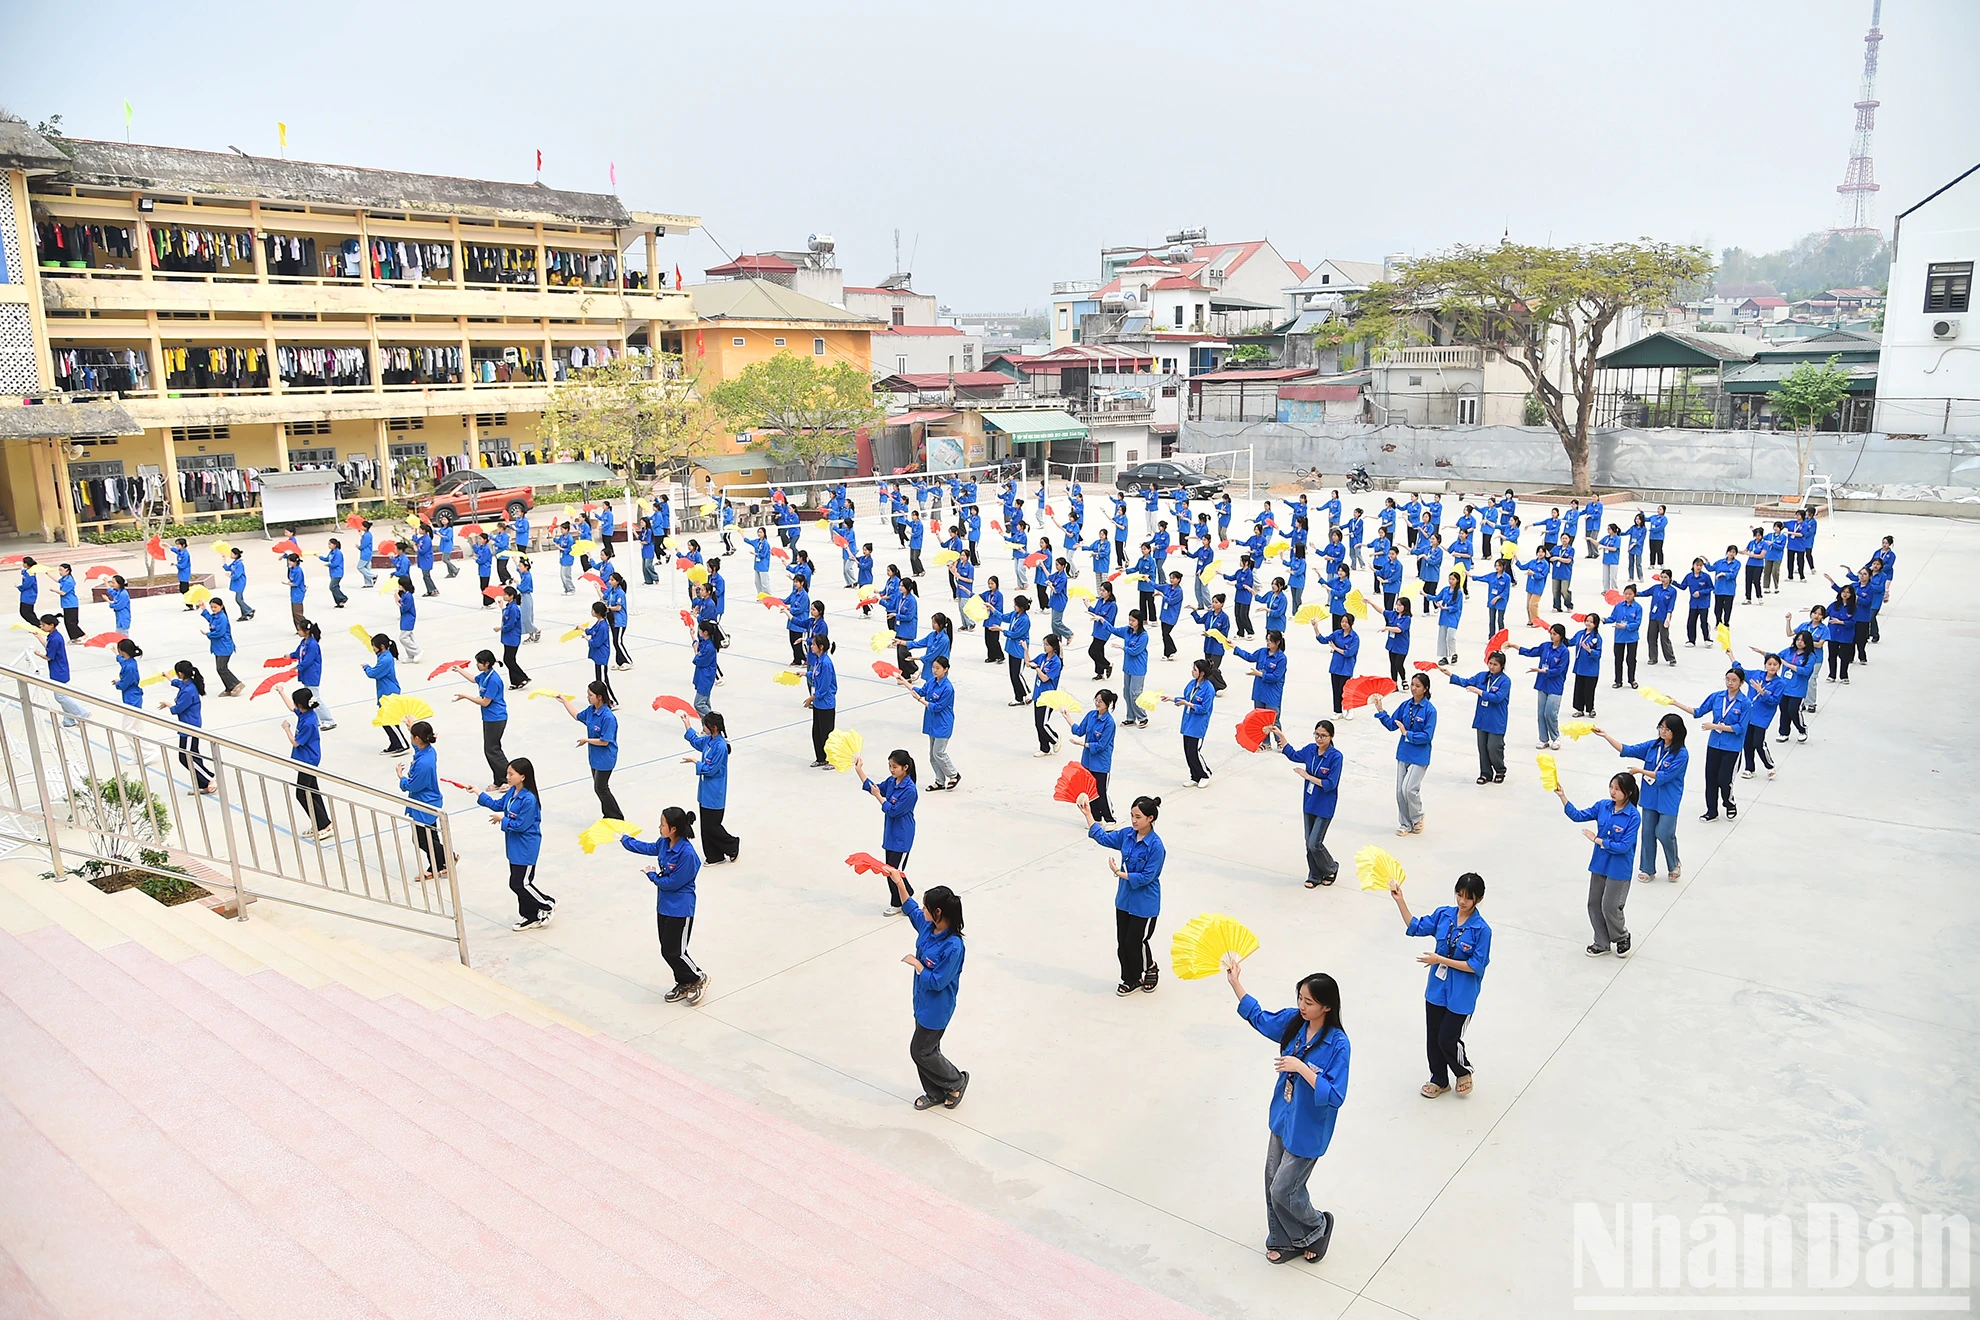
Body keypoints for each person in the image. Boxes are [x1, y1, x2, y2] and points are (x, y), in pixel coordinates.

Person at [1223, 962, 1348, 1265]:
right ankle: (1282, 1238)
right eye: (1300, 999)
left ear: (1327, 1007)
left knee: (1285, 1188)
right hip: (1283, 1114)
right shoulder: (1294, 1022)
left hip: (1308, 1127)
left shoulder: (1338, 1045)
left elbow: (1335, 1095)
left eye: (1309, 1002)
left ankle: (1316, 1227)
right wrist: (1236, 984)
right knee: (1271, 1181)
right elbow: (1261, 1018)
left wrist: (1301, 1068)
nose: (1302, 1006)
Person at [1392, 872, 1490, 1098]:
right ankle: (1439, 1079)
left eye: (1468, 897)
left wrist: (1440, 960)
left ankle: (1462, 1070)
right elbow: (1415, 927)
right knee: (1433, 1037)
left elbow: (1475, 965)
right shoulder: (1443, 915)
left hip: (1462, 994)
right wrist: (1400, 901)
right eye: (1459, 894)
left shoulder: (1482, 930)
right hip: (1437, 989)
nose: (1462, 901)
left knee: (1447, 1038)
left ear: (1478, 899)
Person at [1079, 793, 1166, 995]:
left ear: (1150, 819)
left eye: (1138, 817)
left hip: (1145, 904)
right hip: (1124, 901)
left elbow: (1146, 877)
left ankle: (1150, 968)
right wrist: (1089, 815)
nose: (1134, 821)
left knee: (1136, 942)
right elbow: (1102, 837)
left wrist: (1120, 873)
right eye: (1132, 816)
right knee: (1123, 943)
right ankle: (1131, 979)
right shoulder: (1127, 835)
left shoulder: (1156, 846)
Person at [620, 805, 708, 1003]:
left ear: (674, 828)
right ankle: (684, 982)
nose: (659, 828)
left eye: (662, 824)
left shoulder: (687, 854)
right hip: (664, 907)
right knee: (666, 950)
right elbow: (648, 847)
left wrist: (652, 875)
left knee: (675, 951)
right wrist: (626, 840)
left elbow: (673, 883)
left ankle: (697, 977)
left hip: (681, 908)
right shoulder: (664, 843)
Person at [1594, 713, 1688, 883]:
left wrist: (1641, 771)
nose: (1663, 732)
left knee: (1664, 833)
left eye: (1667, 729)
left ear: (1677, 732)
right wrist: (1606, 736)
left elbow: (1665, 775)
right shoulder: (1653, 746)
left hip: (1668, 799)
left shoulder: (1681, 754)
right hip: (1650, 797)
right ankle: (1647, 868)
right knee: (1647, 832)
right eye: (1661, 727)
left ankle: (1674, 863)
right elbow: (1628, 749)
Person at [1558, 772, 1642, 958]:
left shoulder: (1633, 816)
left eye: (1617, 789)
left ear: (1628, 792)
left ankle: (1621, 936)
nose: (1612, 792)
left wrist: (1597, 840)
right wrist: (1563, 796)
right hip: (1600, 864)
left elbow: (1624, 847)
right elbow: (1578, 815)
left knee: (1610, 906)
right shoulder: (1603, 806)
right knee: (1594, 904)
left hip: (1619, 868)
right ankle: (1602, 942)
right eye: (1611, 787)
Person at [901, 886, 969, 1110]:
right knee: (928, 1050)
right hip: (921, 1002)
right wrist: (896, 880)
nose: (922, 910)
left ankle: (955, 1081)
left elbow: (939, 981)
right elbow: (911, 909)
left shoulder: (953, 946)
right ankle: (935, 1093)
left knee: (920, 1050)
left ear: (938, 912)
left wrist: (918, 965)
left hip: (937, 1008)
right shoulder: (929, 928)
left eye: (926, 907)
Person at [480, 758, 554, 931]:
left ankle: (547, 903)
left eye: (511, 774)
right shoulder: (512, 792)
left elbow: (521, 825)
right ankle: (530, 915)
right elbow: (498, 804)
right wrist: (478, 793)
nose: (507, 777)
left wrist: (502, 820)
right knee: (519, 882)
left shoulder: (529, 799)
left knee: (520, 883)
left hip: (526, 846)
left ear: (522, 776)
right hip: (514, 845)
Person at [1671, 667, 1749, 822]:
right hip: (1714, 744)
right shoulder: (1717, 697)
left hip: (1732, 748)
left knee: (1724, 779)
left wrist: (1716, 727)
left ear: (1741, 683)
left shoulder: (1745, 703)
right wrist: (1675, 703)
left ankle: (1729, 802)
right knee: (1711, 778)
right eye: (1727, 679)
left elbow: (1740, 728)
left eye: (1734, 680)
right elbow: (1698, 712)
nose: (1729, 683)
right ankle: (1711, 811)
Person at [1277, 719, 1342, 887]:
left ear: (1331, 736)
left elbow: (1330, 784)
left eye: (1323, 736)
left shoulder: (1335, 757)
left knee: (1315, 843)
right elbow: (1293, 754)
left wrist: (1308, 776)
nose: (1319, 739)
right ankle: (1314, 875)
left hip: (1324, 804)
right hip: (1309, 802)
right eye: (1317, 735)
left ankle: (1331, 867)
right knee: (1308, 842)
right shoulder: (1311, 750)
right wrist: (1280, 735)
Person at [854, 749, 919, 914]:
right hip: (890, 833)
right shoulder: (892, 781)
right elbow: (874, 788)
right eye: (889, 766)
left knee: (893, 871)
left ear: (905, 767)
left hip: (902, 836)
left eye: (894, 766)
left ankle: (901, 902)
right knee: (889, 869)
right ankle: (907, 896)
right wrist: (860, 770)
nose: (891, 770)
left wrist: (878, 797)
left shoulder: (910, 790)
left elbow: (893, 810)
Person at [1372, 672, 1436, 835]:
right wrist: (1381, 711)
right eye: (1413, 685)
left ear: (1425, 688)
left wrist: (1407, 734)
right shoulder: (1405, 705)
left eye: (1418, 686)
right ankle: (1405, 823)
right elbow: (1393, 725)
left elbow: (1427, 736)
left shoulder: (1430, 711)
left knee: (1409, 789)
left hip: (1420, 755)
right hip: (1404, 753)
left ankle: (1417, 817)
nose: (1414, 688)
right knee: (1400, 791)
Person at [676, 710, 739, 863]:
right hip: (705, 790)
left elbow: (711, 769)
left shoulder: (721, 747)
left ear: (714, 727)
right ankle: (714, 856)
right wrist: (687, 725)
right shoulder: (710, 740)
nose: (703, 727)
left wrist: (695, 762)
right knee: (705, 826)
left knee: (712, 825)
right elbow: (697, 742)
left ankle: (732, 844)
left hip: (715, 791)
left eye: (705, 725)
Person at [1442, 651, 1510, 784]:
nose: (1491, 667)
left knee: (1494, 747)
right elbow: (1466, 682)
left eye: (1495, 664)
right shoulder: (1482, 676)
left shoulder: (1505, 681)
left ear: (1502, 666)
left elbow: (1497, 698)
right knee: (1482, 747)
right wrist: (1450, 674)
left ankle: (1500, 769)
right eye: (1490, 663)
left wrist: (1479, 692)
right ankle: (1485, 773)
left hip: (1496, 720)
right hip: (1482, 718)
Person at [275, 684, 333, 837]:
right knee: (313, 791)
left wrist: (287, 729)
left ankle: (324, 825)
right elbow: (290, 707)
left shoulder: (308, 722)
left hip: (308, 760)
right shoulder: (305, 713)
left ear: (300, 705)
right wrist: (282, 693)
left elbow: (296, 742)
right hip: (306, 759)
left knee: (301, 793)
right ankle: (323, 823)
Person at [901, 654, 961, 792]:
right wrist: (904, 682)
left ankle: (954, 775)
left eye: (938, 668)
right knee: (932, 755)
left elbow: (937, 706)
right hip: (932, 722)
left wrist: (920, 700)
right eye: (933, 667)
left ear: (945, 669)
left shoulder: (947, 688)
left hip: (943, 723)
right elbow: (921, 691)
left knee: (939, 752)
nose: (935, 670)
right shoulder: (931, 681)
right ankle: (939, 781)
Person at [451, 649, 510, 789]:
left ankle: (508, 779)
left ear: (487, 663)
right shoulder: (485, 675)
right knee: (490, 749)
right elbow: (473, 679)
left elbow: (485, 702)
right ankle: (499, 780)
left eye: (479, 663)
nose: (477, 665)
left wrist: (465, 696)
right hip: (489, 718)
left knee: (493, 749)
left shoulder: (494, 680)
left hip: (496, 718)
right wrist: (459, 670)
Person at [160, 660, 215, 793]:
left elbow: (178, 709)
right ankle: (204, 783)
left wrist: (168, 704)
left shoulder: (188, 691)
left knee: (186, 757)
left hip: (190, 727)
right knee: (192, 755)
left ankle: (209, 779)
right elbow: (178, 683)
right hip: (187, 727)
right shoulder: (188, 684)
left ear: (180, 673)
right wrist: (168, 676)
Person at [1067, 689, 1118, 822]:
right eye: (1096, 700)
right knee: (1090, 792)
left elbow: (1101, 745)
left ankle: (1110, 819)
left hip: (1101, 763)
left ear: (1107, 704)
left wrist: (1083, 744)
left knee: (1101, 792)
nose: (1097, 703)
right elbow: (1079, 731)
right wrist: (1068, 718)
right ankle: (1096, 818)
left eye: (1100, 701)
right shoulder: (1091, 715)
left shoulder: (1109, 723)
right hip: (1087, 761)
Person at [1169, 657, 1219, 786]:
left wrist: (1188, 704)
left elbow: (1204, 709)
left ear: (1202, 673)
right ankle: (1194, 776)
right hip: (1187, 722)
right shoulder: (1192, 683)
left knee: (1194, 751)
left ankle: (1205, 774)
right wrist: (1172, 698)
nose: (1192, 671)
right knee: (1187, 751)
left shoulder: (1208, 689)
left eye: (1195, 669)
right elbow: (1186, 698)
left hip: (1198, 724)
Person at [363, 634, 407, 754]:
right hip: (385, 691)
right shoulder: (384, 655)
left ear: (382, 646)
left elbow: (373, 673)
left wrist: (366, 667)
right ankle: (395, 743)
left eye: (374, 646)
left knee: (388, 719)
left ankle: (402, 744)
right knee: (385, 719)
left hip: (389, 692)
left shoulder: (386, 659)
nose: (373, 649)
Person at [1233, 630, 1288, 719]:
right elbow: (1249, 657)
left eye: (1270, 641)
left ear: (1277, 642)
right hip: (1259, 692)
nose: (1268, 643)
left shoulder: (1281, 658)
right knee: (1259, 720)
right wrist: (1235, 648)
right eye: (1267, 640)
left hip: (1272, 694)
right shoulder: (1262, 652)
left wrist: (1259, 674)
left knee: (1272, 723)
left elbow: (1275, 677)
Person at [1028, 633, 1065, 756]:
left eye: (1047, 645)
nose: (1045, 647)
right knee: (1038, 724)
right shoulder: (1042, 657)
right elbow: (1029, 663)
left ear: (1054, 646)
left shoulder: (1056, 662)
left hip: (1048, 696)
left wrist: (1037, 668)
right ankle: (1044, 748)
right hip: (1038, 694)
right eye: (1044, 644)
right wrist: (1025, 650)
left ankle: (1054, 738)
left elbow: (1045, 678)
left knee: (1043, 723)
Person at [201, 597, 243, 696]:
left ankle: (236, 683)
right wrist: (204, 609)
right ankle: (229, 687)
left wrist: (208, 634)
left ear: (221, 606)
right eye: (212, 607)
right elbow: (210, 619)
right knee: (220, 668)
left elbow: (219, 633)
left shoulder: (223, 618)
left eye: (215, 607)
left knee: (222, 668)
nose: (213, 609)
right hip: (218, 647)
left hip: (224, 647)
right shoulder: (215, 616)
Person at [1606, 583, 1642, 689]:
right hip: (1619, 637)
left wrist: (1626, 626)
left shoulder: (1638, 608)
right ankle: (1618, 680)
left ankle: (1632, 679)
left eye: (1630, 594)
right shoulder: (1618, 606)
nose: (1627, 596)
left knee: (1631, 659)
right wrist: (1604, 620)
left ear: (1634, 595)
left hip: (1632, 637)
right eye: (1625, 594)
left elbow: (1637, 623)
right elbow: (1613, 618)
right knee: (1618, 659)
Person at [1568, 612, 1603, 718]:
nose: (1588, 623)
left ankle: (1590, 708)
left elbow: (1598, 654)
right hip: (1580, 666)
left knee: (1589, 689)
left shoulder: (1597, 637)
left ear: (1596, 624)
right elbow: (1571, 642)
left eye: (1591, 622)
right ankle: (1579, 709)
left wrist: (1589, 650)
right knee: (1579, 688)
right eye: (1587, 621)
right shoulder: (1580, 634)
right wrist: (1561, 637)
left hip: (1591, 668)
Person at [584, 601, 616, 707]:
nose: (591, 612)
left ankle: (611, 701)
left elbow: (597, 642)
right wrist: (583, 629)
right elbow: (592, 631)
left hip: (602, 655)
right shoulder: (599, 623)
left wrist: (588, 640)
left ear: (597, 612)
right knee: (598, 679)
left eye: (593, 610)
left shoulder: (603, 626)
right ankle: (602, 701)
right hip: (598, 656)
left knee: (603, 680)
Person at [1380, 597, 1413, 687]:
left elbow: (1399, 629)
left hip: (1401, 645)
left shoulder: (1407, 618)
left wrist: (1387, 628)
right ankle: (1394, 684)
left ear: (1405, 607)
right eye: (1397, 605)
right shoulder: (1393, 614)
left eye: (1400, 605)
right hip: (1392, 644)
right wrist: (1371, 603)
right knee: (1392, 665)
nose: (1397, 607)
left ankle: (1403, 678)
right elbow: (1382, 611)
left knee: (1398, 664)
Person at [394, 576, 421, 662]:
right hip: (405, 618)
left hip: (409, 618)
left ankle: (417, 651)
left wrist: (398, 600)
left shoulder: (408, 596)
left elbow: (405, 608)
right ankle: (410, 655)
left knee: (403, 637)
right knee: (409, 636)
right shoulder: (405, 594)